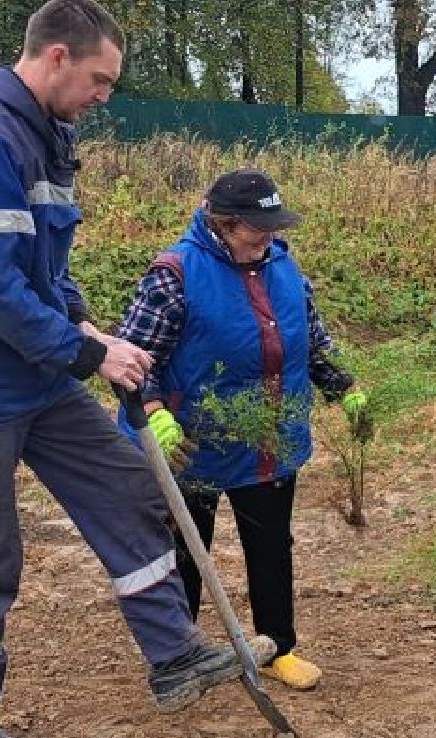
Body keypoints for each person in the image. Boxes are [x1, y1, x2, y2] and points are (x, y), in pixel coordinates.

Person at [0, 0, 256, 738]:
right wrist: (86, 355)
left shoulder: (43, 136)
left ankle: (174, 657)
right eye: (99, 79)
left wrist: (89, 329)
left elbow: (41, 269)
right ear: (56, 57)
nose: (103, 97)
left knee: (127, 487)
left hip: (31, 373)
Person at [114, 167, 365, 691]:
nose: (267, 237)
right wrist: (156, 410)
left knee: (271, 543)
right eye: (256, 228)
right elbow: (132, 360)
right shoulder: (174, 274)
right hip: (190, 443)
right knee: (185, 551)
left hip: (270, 437)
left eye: (272, 226)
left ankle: (279, 647)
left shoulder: (286, 268)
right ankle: (178, 657)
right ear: (223, 224)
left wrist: (346, 389)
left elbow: (313, 343)